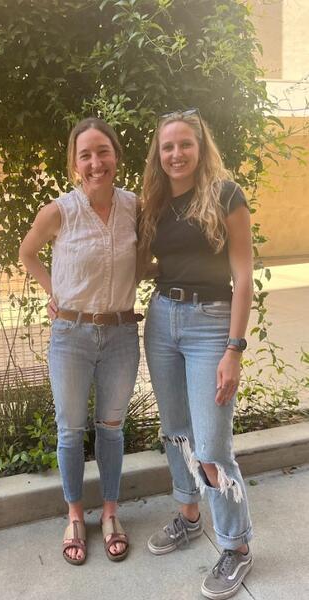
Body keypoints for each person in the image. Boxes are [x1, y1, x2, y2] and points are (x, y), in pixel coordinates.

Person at [138, 108, 253, 599]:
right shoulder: (156, 201)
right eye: (168, 147)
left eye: (185, 144)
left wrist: (234, 349)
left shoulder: (225, 194)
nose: (177, 154)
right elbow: (145, 265)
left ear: (200, 147)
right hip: (162, 320)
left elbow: (244, 277)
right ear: (158, 155)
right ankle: (189, 515)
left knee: (211, 446)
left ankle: (236, 546)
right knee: (178, 434)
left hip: (211, 326)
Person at [19, 117, 141, 565]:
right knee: (70, 431)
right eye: (85, 155)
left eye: (102, 152)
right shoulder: (59, 211)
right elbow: (26, 252)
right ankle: (75, 516)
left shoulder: (136, 207)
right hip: (70, 335)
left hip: (122, 333)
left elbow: (144, 259)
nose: (95, 163)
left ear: (116, 156)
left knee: (111, 429)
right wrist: (55, 291)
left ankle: (110, 513)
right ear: (74, 164)